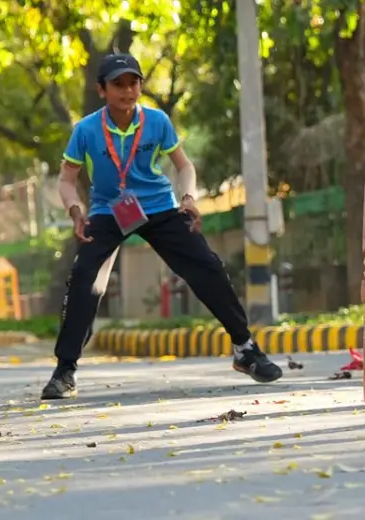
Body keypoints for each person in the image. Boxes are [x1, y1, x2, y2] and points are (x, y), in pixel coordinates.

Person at [41, 53, 282, 400]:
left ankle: (245, 349)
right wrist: (76, 212)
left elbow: (184, 167)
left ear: (140, 85)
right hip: (108, 212)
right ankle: (65, 370)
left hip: (159, 206)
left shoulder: (156, 121)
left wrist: (188, 198)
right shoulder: (86, 129)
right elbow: (66, 180)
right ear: (102, 90)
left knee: (208, 267)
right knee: (84, 280)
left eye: (133, 83)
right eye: (118, 84)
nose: (127, 91)